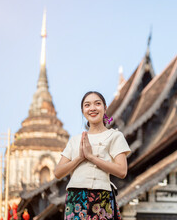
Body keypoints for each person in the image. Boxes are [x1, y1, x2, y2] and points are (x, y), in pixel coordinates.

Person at [54, 91, 131, 220]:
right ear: (83, 110)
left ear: (105, 108)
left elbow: (122, 171)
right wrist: (79, 158)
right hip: (76, 197)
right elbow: (58, 172)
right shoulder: (75, 140)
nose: (92, 108)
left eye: (97, 104)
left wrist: (91, 157)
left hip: (101, 196)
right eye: (87, 105)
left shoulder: (114, 136)